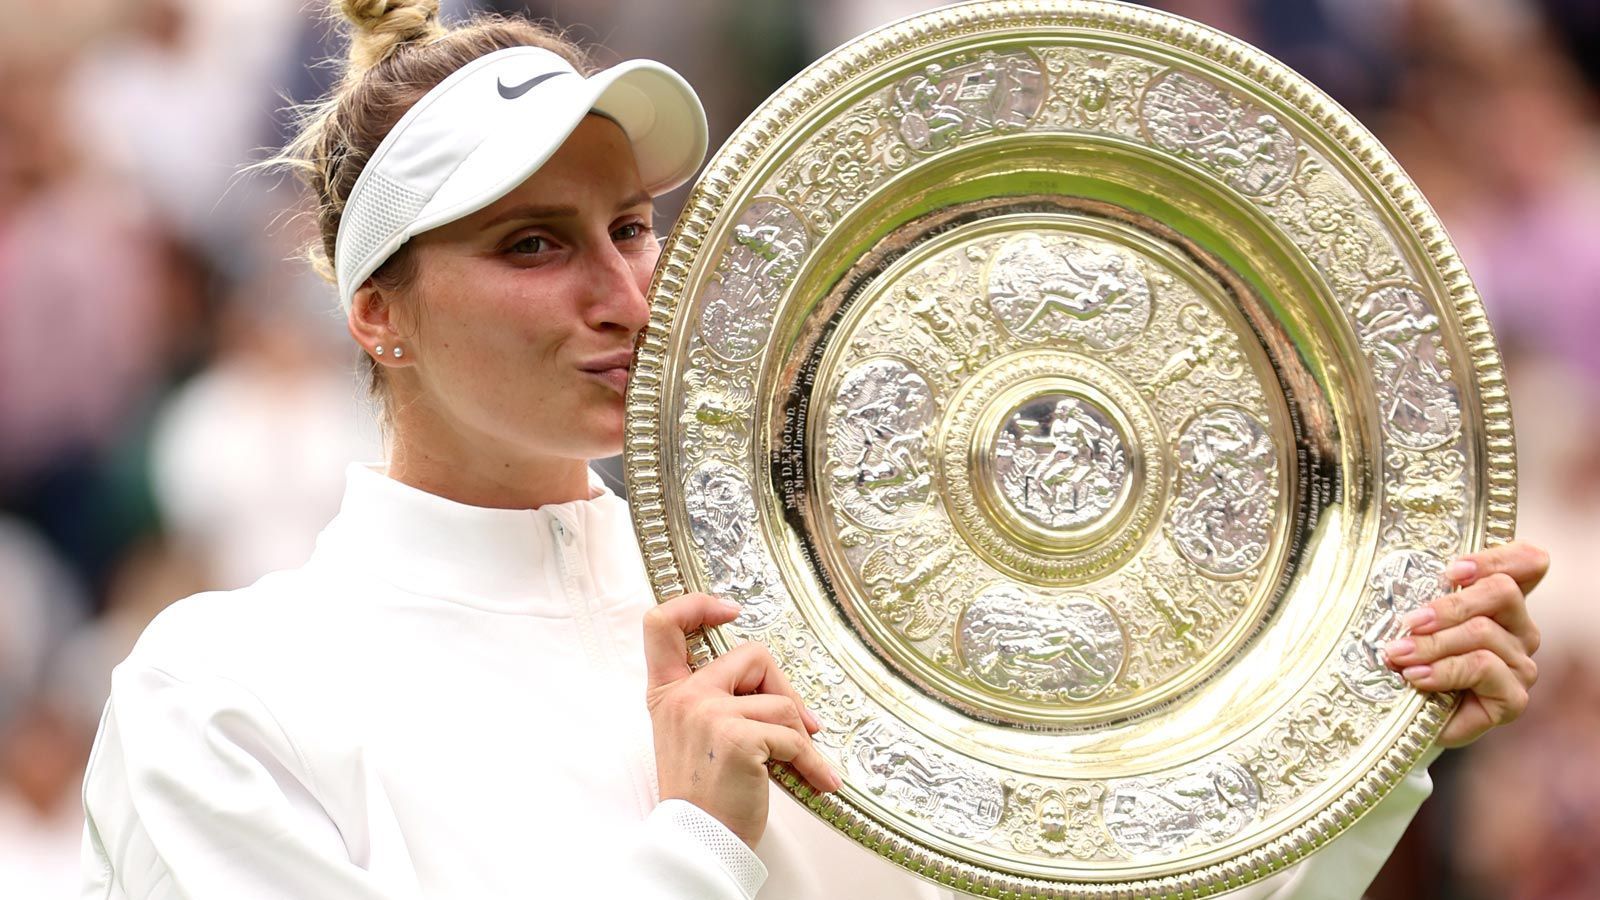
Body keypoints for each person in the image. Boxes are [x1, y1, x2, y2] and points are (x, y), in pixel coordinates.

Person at [78, 2, 1549, 898]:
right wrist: (695, 851)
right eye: (534, 246)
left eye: (632, 227)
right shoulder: (220, 692)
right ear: (375, 315)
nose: (625, 295)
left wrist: (1366, 752)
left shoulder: (800, 612)